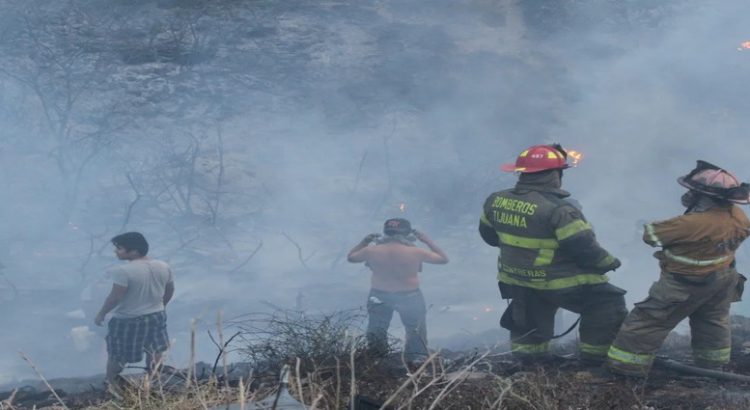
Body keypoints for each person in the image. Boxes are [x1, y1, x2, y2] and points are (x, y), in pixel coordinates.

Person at [479, 144, 626, 364]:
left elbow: (489, 237)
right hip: (556, 281)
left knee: (528, 317)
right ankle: (595, 361)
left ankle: (529, 364)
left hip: (516, 277)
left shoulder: (495, 200)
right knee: (607, 302)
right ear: (553, 175)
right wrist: (609, 262)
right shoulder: (559, 209)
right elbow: (584, 248)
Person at [607, 161, 750, 376]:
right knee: (712, 321)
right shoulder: (738, 215)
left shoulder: (693, 223)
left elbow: (651, 235)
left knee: (647, 321)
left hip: (686, 283)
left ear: (705, 195)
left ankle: (624, 369)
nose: (689, 194)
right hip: (723, 277)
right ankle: (712, 369)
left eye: (693, 191)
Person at [347, 218, 449, 362]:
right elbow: (443, 259)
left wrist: (364, 241)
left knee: (377, 329)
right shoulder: (416, 251)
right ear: (407, 234)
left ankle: (378, 359)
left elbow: (351, 257)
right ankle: (416, 359)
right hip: (410, 295)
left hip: (379, 294)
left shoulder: (371, 250)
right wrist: (427, 241)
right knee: (415, 330)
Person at [95, 232, 175, 385]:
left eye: (119, 248)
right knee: (155, 351)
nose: (116, 251)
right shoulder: (163, 266)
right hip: (156, 315)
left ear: (133, 250)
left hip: (127, 320)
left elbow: (115, 297)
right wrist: (161, 306)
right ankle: (153, 383)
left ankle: (110, 383)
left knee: (117, 354)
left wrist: (101, 314)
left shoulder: (123, 271)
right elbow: (170, 290)